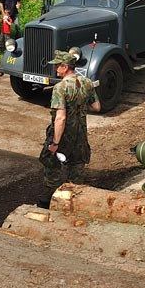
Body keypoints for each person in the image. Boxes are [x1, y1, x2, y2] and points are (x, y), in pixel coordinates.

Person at [44, 48, 97, 190]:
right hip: (80, 135)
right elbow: (97, 107)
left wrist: (55, 143)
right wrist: (80, 106)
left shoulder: (60, 88)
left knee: (52, 165)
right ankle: (73, 197)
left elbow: (60, 118)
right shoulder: (87, 83)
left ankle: (52, 197)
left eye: (57, 65)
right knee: (77, 169)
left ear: (65, 67)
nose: (55, 69)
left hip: (64, 136)